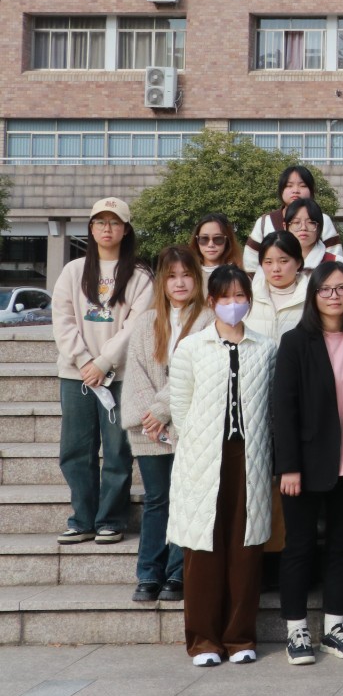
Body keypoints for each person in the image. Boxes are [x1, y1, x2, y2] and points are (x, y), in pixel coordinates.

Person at [168, 265, 278, 666]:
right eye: (226, 297)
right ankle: (203, 640)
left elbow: (270, 405)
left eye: (240, 296)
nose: (234, 304)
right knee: (203, 549)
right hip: (203, 459)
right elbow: (180, 406)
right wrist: (198, 444)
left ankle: (239, 637)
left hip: (250, 457)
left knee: (245, 548)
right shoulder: (191, 347)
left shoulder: (266, 348)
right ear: (212, 301)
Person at [272, 262, 343, 665]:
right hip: (305, 465)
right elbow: (283, 407)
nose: (334, 296)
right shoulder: (296, 342)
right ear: (313, 295)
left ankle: (335, 627)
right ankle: (296, 631)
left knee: (341, 546)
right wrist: (288, 466)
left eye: (342, 288)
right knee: (298, 546)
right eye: (326, 289)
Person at [52, 196, 153, 546]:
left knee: (117, 450)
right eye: (100, 222)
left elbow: (136, 326)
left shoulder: (140, 276)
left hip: (120, 376)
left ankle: (111, 519)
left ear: (126, 230)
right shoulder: (73, 270)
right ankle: (82, 519)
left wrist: (104, 362)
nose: (107, 228)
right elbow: (63, 320)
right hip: (76, 375)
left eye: (114, 222)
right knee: (75, 450)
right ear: (91, 229)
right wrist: (84, 361)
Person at [121, 246, 210, 603]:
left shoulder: (207, 319)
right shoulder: (147, 321)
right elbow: (136, 372)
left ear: (197, 278)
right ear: (162, 281)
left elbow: (196, 371)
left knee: (185, 498)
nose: (180, 282)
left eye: (186, 275)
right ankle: (148, 573)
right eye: (172, 276)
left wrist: (162, 410)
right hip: (151, 431)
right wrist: (152, 416)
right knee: (157, 499)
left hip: (188, 426)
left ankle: (176, 572)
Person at [245, 166, 341, 272]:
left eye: (302, 186)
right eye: (289, 186)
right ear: (281, 190)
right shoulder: (265, 222)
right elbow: (250, 264)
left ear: (311, 191)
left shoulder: (323, 220)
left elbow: (335, 261)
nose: (295, 191)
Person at [245, 232, 307, 343]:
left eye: (283, 261)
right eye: (268, 262)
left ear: (298, 262)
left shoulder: (312, 299)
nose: (276, 269)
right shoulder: (248, 298)